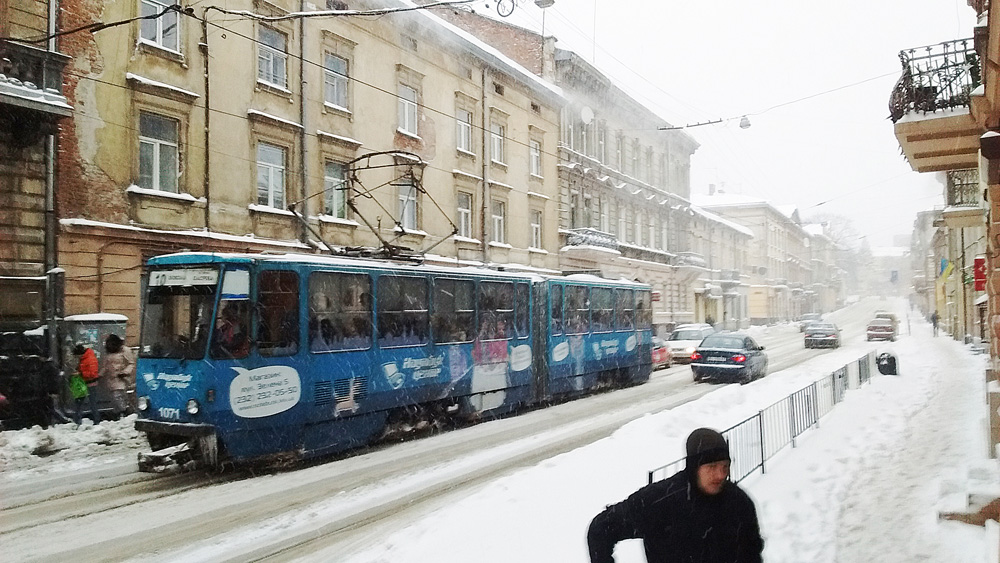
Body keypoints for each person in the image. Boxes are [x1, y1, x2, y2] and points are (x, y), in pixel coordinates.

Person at [587, 427, 764, 563]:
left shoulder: (739, 503)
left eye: (725, 466)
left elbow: (751, 554)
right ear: (694, 467)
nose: (720, 475)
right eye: (711, 467)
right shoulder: (660, 501)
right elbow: (600, 530)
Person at [100, 334, 135, 417]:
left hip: (121, 377)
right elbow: (105, 366)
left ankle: (125, 411)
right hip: (111, 378)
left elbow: (131, 363)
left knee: (118, 395)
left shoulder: (125, 350)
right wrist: (99, 375)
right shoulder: (109, 351)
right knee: (115, 397)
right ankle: (120, 413)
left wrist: (125, 372)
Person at [72, 343, 101, 424]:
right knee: (88, 403)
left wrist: (80, 373)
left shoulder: (89, 359)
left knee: (89, 403)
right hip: (86, 383)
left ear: (80, 354)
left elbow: (92, 373)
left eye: (77, 356)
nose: (77, 358)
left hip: (90, 383)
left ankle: (96, 420)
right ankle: (80, 420)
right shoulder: (86, 358)